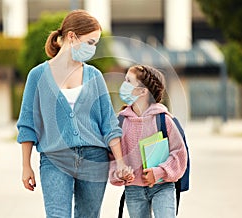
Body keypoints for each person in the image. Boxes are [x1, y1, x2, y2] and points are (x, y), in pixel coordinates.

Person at [17, 9, 133, 218]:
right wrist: (26, 166)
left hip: (93, 159)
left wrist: (121, 163)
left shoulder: (94, 76)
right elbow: (27, 124)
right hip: (55, 159)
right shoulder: (37, 76)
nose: (93, 49)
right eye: (90, 43)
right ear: (72, 36)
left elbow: (108, 122)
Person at [109, 65, 187, 218]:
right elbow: (112, 157)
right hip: (134, 190)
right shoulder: (120, 122)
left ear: (142, 91)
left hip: (163, 187)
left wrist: (158, 172)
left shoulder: (163, 119)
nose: (123, 85)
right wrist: (120, 173)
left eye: (128, 81)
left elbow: (179, 154)